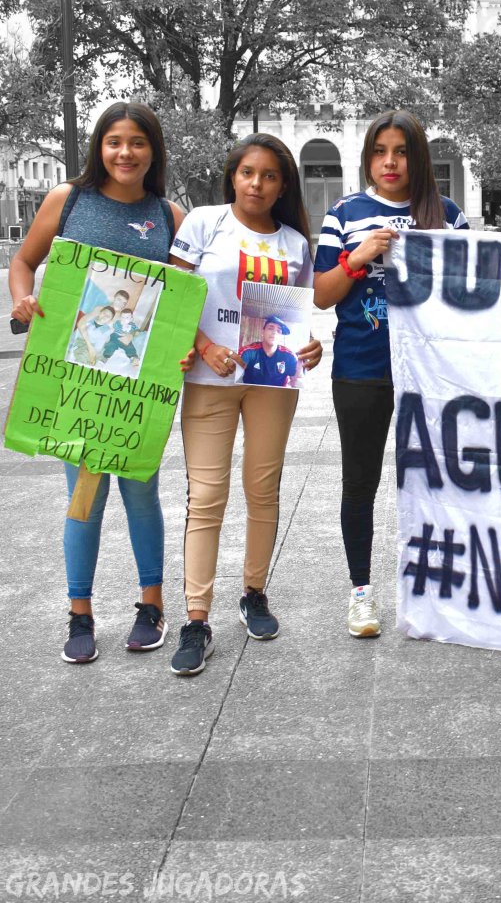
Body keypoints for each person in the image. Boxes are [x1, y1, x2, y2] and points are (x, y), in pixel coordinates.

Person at [8, 102, 187, 663]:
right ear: (99, 147)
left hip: (137, 387)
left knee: (141, 493)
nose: (125, 153)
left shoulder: (169, 216)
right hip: (76, 380)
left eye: (137, 142)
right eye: (114, 141)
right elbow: (23, 262)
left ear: (153, 151)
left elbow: (185, 302)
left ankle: (151, 607)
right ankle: (79, 613)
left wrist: (187, 347)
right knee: (83, 497)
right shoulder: (68, 200)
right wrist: (23, 299)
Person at [168, 133, 322, 676]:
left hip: (269, 383)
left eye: (269, 176)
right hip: (208, 379)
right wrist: (204, 345)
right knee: (207, 496)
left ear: (283, 186)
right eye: (247, 172)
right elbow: (172, 295)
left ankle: (254, 593)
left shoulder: (295, 245)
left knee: (263, 487)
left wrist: (309, 347)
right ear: (232, 176)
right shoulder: (203, 223)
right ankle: (196, 618)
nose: (256, 183)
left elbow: (296, 317)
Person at [313, 109, 468, 638]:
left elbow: (472, 292)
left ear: (417, 157)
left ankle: (444, 584)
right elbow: (322, 293)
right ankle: (361, 593)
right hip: (362, 368)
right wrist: (358, 256)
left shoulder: (447, 215)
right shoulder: (345, 213)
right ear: (368, 158)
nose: (390, 162)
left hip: (435, 373)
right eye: (380, 152)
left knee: (442, 478)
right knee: (360, 483)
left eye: (401, 151)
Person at [240, 315, 298, 387]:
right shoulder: (248, 352)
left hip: (278, 393)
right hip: (250, 392)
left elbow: (296, 381)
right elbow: (235, 374)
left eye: (278, 331)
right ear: (263, 332)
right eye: (270, 328)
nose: (274, 332)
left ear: (281, 337)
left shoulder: (289, 356)